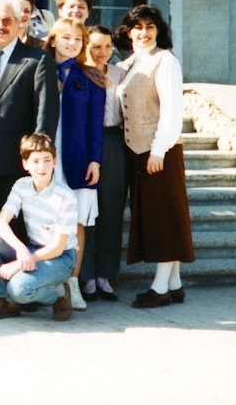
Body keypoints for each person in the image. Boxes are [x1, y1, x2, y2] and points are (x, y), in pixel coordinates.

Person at [0, 0, 60, 306]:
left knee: (21, 231)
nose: (0, 27)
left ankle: (25, 290)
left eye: (6, 20)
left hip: (18, 165)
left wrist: (38, 164)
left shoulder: (36, 60)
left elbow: (46, 115)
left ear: (20, 21)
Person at [114, 5, 194, 308]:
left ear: (158, 30)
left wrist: (159, 150)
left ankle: (160, 288)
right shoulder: (131, 62)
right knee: (156, 216)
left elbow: (172, 110)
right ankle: (175, 284)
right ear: (128, 32)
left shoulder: (166, 61)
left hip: (159, 152)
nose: (144, 33)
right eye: (138, 27)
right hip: (137, 150)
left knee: (164, 217)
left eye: (150, 26)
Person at [0, 133, 76, 322]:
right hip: (32, 249)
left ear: (54, 161)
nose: (41, 167)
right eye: (35, 161)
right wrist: (21, 250)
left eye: (46, 160)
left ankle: (60, 292)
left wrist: (19, 263)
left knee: (19, 289)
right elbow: (0, 223)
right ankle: (6, 302)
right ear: (25, 164)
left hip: (60, 258)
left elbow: (58, 247)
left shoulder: (65, 197)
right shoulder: (22, 186)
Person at [45, 17, 106, 311]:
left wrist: (96, 159)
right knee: (44, 218)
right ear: (53, 38)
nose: (72, 43)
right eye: (66, 37)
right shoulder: (38, 67)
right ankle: (49, 282)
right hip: (45, 156)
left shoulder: (91, 76)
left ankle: (72, 284)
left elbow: (96, 122)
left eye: (78, 39)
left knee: (77, 220)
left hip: (78, 156)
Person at [82, 25, 128, 302]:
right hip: (86, 143)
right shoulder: (79, 74)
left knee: (111, 210)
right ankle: (86, 275)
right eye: (96, 46)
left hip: (113, 142)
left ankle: (105, 274)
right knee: (87, 212)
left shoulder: (121, 74)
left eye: (108, 46)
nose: (103, 52)